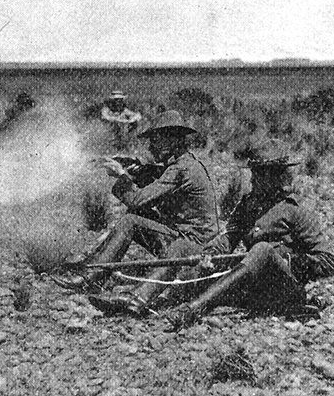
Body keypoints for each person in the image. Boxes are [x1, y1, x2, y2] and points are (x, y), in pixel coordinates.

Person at [58, 110, 220, 312]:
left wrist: (122, 176)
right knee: (135, 218)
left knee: (131, 221)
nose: (151, 146)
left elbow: (138, 200)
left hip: (195, 247)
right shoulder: (182, 164)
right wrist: (138, 172)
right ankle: (92, 272)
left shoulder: (181, 169)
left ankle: (107, 284)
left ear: (172, 140)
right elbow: (154, 191)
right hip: (185, 239)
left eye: (156, 140)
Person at [163, 157, 334, 331]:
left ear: (275, 178)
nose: (253, 179)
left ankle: (191, 310)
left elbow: (329, 262)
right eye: (254, 173)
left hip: (283, 290)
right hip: (253, 285)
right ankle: (139, 301)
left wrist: (293, 261)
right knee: (182, 246)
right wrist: (211, 252)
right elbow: (230, 236)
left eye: (260, 174)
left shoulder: (295, 211)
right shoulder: (248, 204)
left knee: (262, 249)